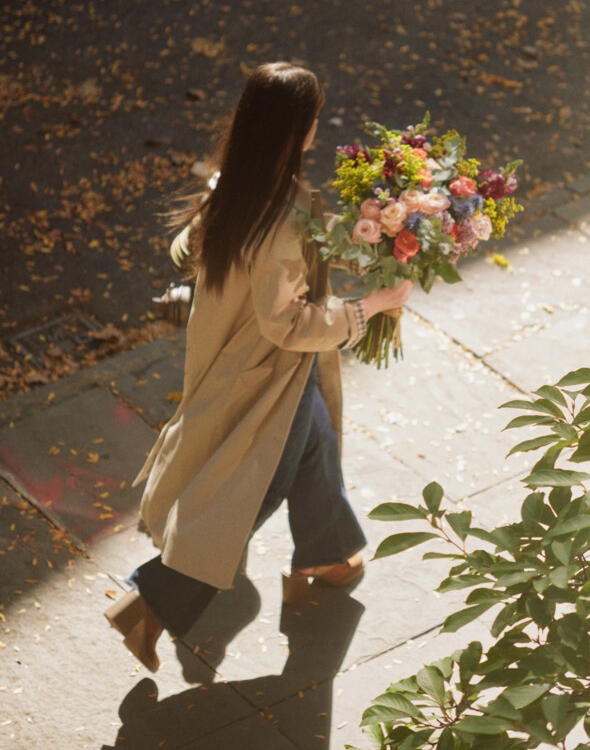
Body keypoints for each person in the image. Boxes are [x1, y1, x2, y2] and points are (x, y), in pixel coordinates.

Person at [104, 62, 413, 672]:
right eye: (314, 117)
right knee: (249, 489)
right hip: (267, 371)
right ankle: (150, 600)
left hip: (248, 362)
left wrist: (356, 232)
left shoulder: (236, 183)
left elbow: (235, 256)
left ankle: (327, 554)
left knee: (314, 446)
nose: (319, 126)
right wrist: (368, 307)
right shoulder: (278, 215)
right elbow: (287, 323)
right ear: (298, 128)